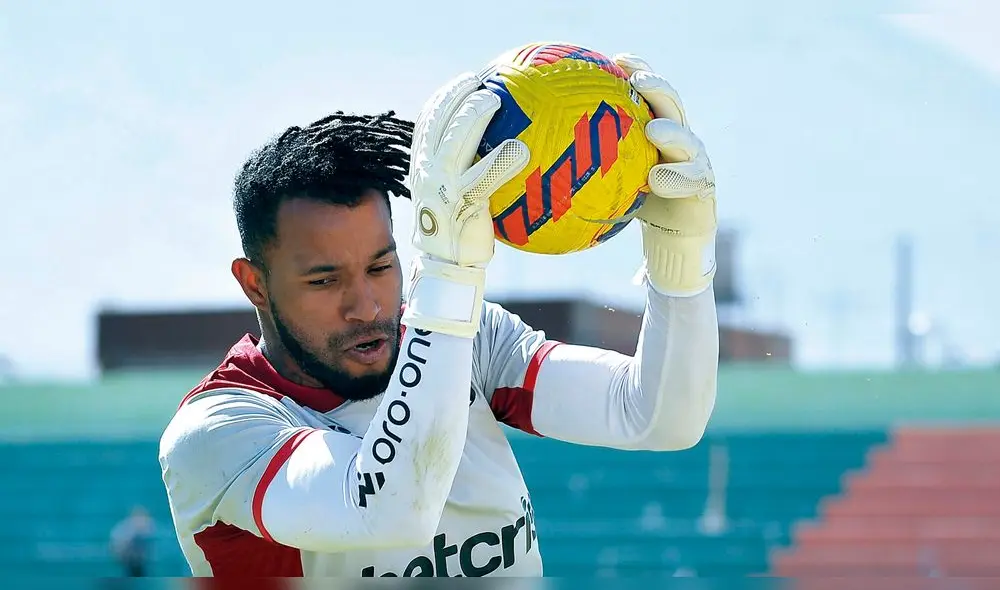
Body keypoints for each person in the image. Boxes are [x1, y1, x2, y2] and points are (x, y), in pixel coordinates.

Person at [159, 52, 720, 578]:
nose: (367, 306)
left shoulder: (466, 339)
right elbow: (387, 511)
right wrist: (450, 275)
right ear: (254, 284)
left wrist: (681, 266)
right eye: (324, 280)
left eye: (381, 266)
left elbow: (658, 417)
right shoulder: (216, 433)